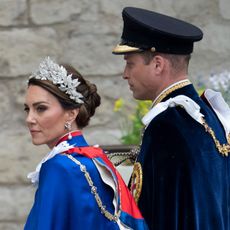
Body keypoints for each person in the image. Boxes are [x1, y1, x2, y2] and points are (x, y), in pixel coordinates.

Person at [112, 7, 230, 230]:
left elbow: (158, 216)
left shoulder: (167, 125)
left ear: (158, 64)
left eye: (130, 63)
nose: (125, 74)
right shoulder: (209, 115)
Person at [24, 57, 148, 230]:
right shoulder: (94, 159)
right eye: (27, 109)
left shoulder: (59, 166)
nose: (29, 119)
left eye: (40, 108)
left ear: (71, 114)